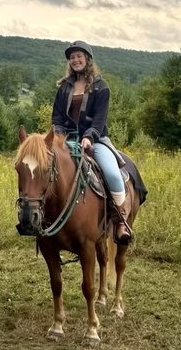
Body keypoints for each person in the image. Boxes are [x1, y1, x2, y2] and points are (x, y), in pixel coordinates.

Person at [51, 40, 132, 244]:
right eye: (72, 57)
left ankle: (120, 219)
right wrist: (59, 136)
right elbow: (57, 117)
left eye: (79, 56)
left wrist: (89, 136)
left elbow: (99, 119)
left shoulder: (101, 87)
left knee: (112, 174)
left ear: (87, 59)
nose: (75, 60)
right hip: (67, 140)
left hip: (95, 140)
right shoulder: (64, 87)